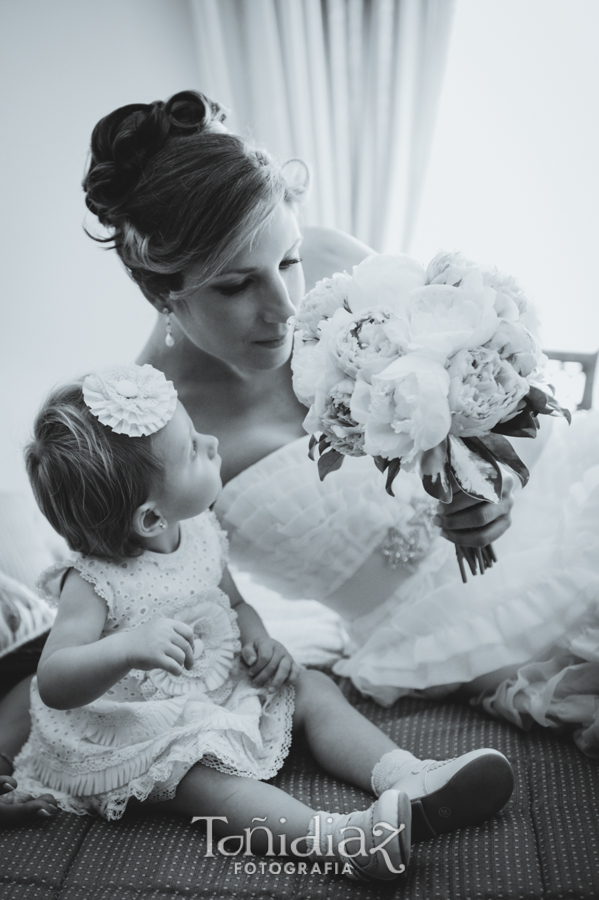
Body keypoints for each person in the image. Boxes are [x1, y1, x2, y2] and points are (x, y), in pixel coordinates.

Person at [0, 87, 585, 823]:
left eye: (289, 259)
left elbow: (472, 396)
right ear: (164, 294)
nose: (282, 306)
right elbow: (118, 600)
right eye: (237, 284)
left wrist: (488, 481)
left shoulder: (345, 274)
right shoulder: (149, 433)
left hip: (551, 518)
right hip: (427, 637)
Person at [3, 363, 513, 883]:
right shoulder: (90, 583)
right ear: (151, 518)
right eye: (192, 449)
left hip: (215, 690)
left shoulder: (198, 528)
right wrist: (128, 647)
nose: (210, 441)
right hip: (139, 726)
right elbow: (55, 680)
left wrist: (260, 640)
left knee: (311, 686)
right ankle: (341, 840)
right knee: (198, 779)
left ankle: (407, 775)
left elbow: (235, 604)